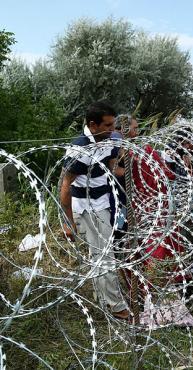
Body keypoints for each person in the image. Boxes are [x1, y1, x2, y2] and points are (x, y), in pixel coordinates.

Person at [60, 101, 130, 320]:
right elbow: (65, 186)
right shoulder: (79, 149)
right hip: (88, 208)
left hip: (105, 203)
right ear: (93, 125)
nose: (113, 130)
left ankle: (103, 299)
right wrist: (68, 222)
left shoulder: (107, 139)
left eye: (114, 125)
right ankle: (117, 307)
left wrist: (129, 159)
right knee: (105, 256)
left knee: (102, 255)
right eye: (108, 125)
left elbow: (111, 166)